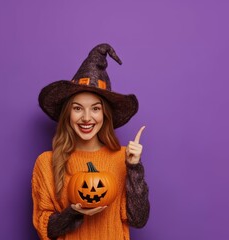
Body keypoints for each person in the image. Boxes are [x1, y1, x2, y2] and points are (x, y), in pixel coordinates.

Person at [32, 43, 150, 240]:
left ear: (104, 114)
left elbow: (138, 219)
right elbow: (45, 229)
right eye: (78, 108)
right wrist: (74, 212)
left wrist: (134, 168)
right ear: (68, 113)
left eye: (95, 108)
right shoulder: (46, 163)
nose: (87, 118)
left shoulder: (122, 158)